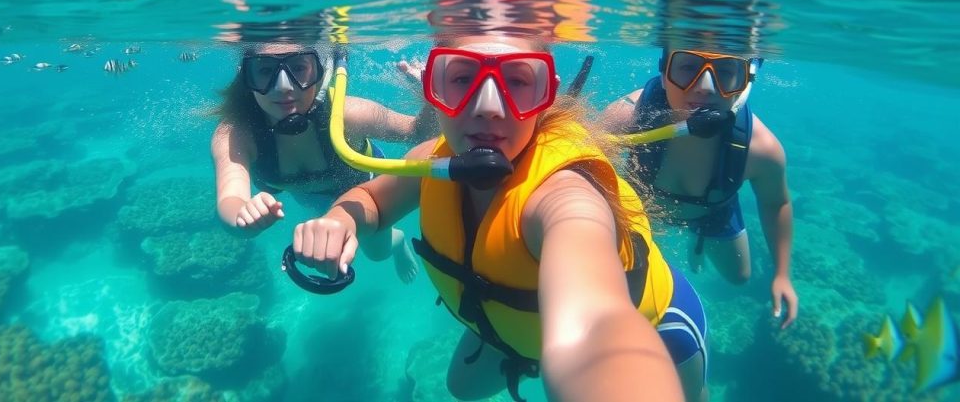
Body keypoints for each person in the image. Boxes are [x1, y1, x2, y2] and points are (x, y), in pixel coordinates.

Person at [292, 35, 706, 402]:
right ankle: (522, 342)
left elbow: (596, 321)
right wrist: (340, 220)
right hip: (509, 316)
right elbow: (372, 198)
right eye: (461, 79)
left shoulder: (566, 197)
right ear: (433, 89)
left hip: (660, 328)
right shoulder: (431, 161)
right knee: (461, 388)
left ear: (546, 96)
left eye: (517, 82)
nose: (488, 107)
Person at [601, 48, 798, 329]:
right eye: (687, 67)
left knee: (739, 277)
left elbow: (776, 203)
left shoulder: (761, 150)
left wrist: (782, 274)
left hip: (711, 212)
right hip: (641, 208)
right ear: (664, 70)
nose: (705, 88)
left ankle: (698, 238)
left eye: (727, 71)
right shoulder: (626, 117)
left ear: (747, 80)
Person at [211, 42, 435, 283]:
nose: (283, 87)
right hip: (311, 197)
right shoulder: (235, 134)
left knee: (377, 253)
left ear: (319, 72)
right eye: (265, 71)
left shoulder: (349, 114)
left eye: (298, 68)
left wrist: (432, 97)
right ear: (247, 77)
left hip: (364, 188)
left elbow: (418, 132)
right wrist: (240, 217)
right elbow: (229, 197)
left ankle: (398, 240)